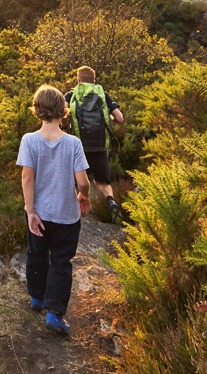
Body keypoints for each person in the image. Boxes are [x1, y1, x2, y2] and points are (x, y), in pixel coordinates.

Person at [17, 84, 91, 334]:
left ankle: (37, 298)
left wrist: (30, 212)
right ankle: (54, 314)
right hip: (67, 217)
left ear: (36, 110)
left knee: (36, 254)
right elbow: (82, 181)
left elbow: (27, 178)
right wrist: (84, 196)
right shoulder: (73, 143)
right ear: (63, 110)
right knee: (61, 261)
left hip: (39, 214)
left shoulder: (29, 140)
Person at [66, 66, 126, 224]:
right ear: (94, 81)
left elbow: (61, 112)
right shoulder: (102, 94)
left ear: (78, 81)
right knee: (102, 182)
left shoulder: (72, 94)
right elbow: (119, 118)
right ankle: (111, 201)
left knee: (77, 179)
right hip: (100, 145)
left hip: (79, 145)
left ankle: (77, 214)